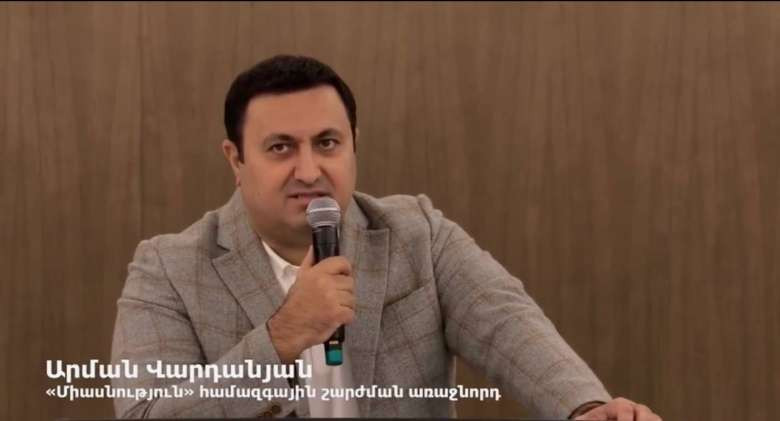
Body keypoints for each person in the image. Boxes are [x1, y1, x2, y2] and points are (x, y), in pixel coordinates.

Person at [111, 55, 661, 421]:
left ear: (354, 144)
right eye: (281, 148)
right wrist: (281, 337)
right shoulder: (168, 269)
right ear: (236, 159)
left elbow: (508, 324)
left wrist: (582, 407)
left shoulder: (416, 232)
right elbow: (145, 413)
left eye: (327, 143)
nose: (309, 170)